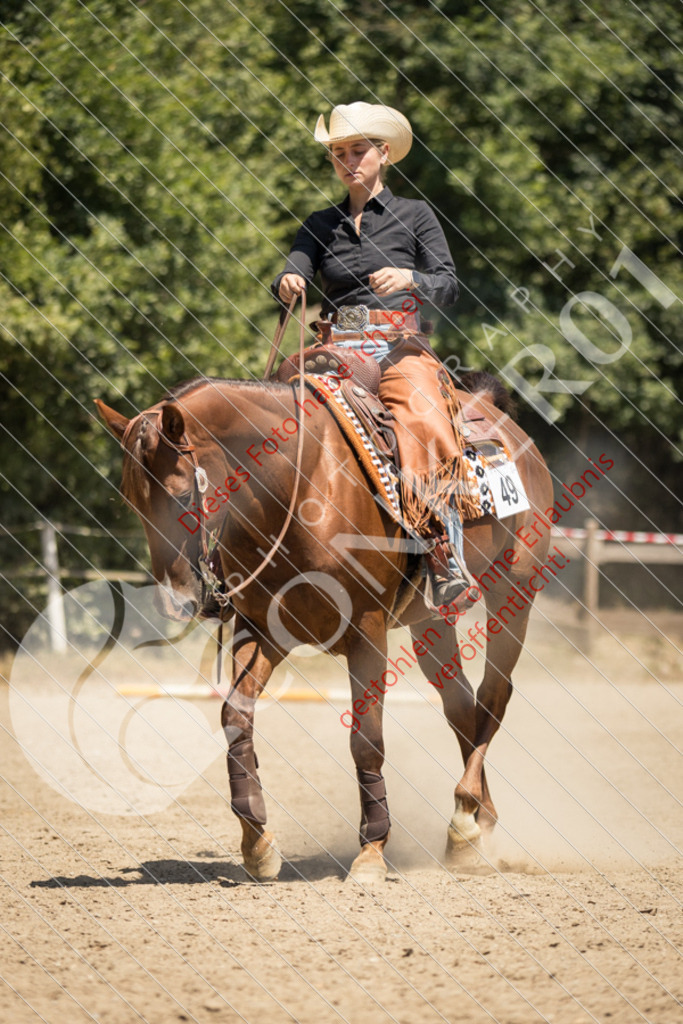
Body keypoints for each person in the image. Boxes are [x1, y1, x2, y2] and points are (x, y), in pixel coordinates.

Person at [271, 101, 471, 608]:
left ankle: (445, 554)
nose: (347, 160)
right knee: (271, 417)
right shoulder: (320, 223)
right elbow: (292, 266)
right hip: (333, 348)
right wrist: (289, 279)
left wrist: (412, 278)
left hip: (397, 348)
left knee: (424, 419)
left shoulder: (415, 215)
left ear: (383, 154)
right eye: (338, 153)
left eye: (357, 150)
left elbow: (449, 286)